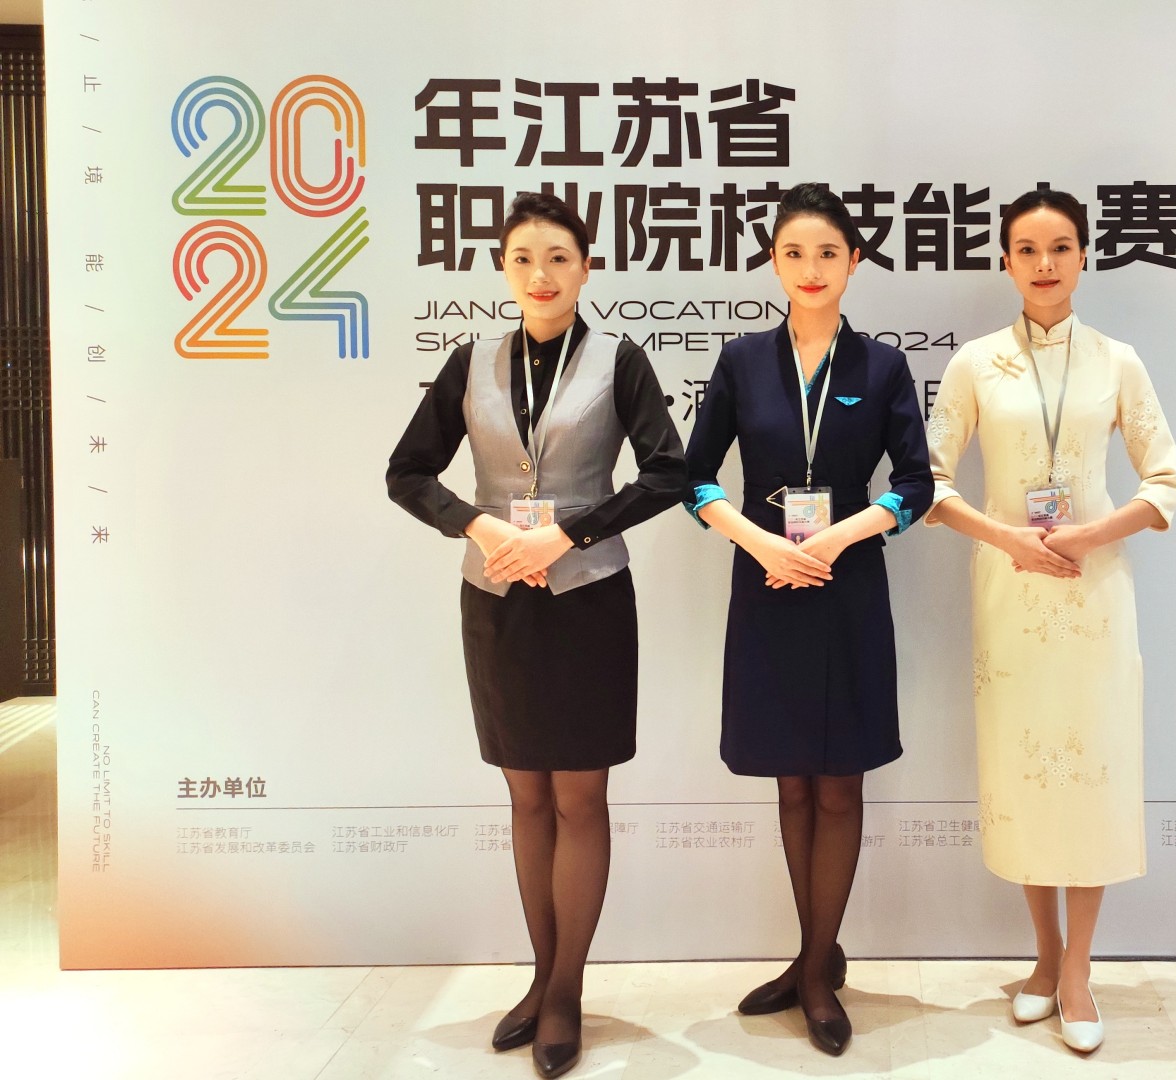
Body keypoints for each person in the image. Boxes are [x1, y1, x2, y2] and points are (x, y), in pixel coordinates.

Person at [386, 192, 687, 1079]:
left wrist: (570, 534)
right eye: (522, 259)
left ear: (586, 268)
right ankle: (541, 974)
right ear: (502, 269)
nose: (541, 275)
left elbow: (668, 472)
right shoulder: (471, 360)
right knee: (525, 798)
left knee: (580, 799)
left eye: (558, 258)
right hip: (497, 600)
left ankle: (565, 991)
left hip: (589, 600)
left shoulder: (618, 359)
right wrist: (479, 525)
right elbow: (407, 472)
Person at [923, 188, 1176, 1054]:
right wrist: (1008, 538)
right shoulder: (974, 364)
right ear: (1005, 260)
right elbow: (929, 483)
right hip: (1010, 594)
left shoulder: (1117, 361)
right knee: (1025, 774)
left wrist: (1089, 534)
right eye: (1027, 249)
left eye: (1061, 247)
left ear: (1084, 257)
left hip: (1094, 595)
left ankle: (1078, 969)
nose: (1044, 263)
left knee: (1092, 775)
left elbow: (1164, 481)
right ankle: (1040, 957)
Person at [681, 182, 932, 1057]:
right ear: (773, 263)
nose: (811, 268)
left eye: (828, 253)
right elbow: (694, 477)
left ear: (854, 261)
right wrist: (761, 543)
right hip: (768, 584)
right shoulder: (742, 360)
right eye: (794, 253)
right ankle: (814, 955)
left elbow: (916, 483)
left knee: (840, 782)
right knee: (791, 780)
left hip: (848, 583)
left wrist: (841, 535)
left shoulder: (882, 367)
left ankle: (817, 971)